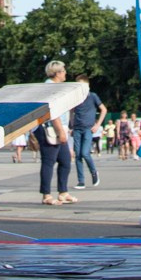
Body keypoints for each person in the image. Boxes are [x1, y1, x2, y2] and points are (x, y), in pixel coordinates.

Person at [36, 61, 76, 204]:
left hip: (59, 127)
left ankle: (63, 192)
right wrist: (60, 131)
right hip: (50, 128)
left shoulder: (57, 87)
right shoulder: (50, 87)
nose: (65, 73)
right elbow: (53, 112)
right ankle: (46, 195)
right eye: (64, 71)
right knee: (49, 161)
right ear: (57, 73)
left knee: (65, 161)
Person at [69, 82, 105, 189]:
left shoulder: (92, 96)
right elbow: (71, 111)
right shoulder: (75, 98)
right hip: (77, 129)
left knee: (85, 153)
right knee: (78, 155)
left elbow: (104, 109)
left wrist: (98, 125)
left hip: (88, 128)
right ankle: (81, 181)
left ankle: (94, 172)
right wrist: (71, 125)